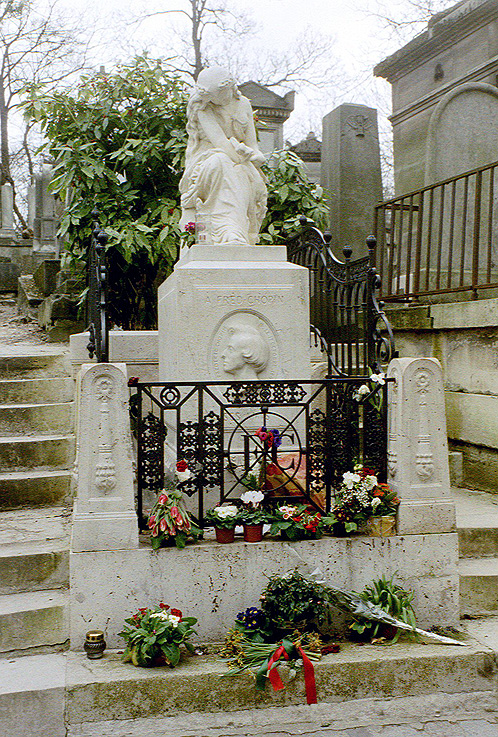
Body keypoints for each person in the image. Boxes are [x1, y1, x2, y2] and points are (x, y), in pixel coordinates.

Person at [180, 66, 267, 245]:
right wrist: (243, 157)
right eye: (212, 98)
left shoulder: (244, 104)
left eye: (220, 95)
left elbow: (253, 146)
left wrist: (256, 157)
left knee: (241, 170)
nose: (217, 101)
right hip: (206, 160)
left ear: (230, 87)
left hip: (239, 159)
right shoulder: (202, 107)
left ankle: (236, 230)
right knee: (224, 162)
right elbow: (220, 143)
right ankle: (227, 231)